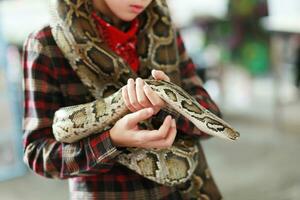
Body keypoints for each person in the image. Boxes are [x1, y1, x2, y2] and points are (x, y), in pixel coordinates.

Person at [22, 0, 222, 199]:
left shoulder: (165, 30)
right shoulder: (45, 45)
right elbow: (38, 155)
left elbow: (211, 116)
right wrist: (112, 140)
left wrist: (169, 106)